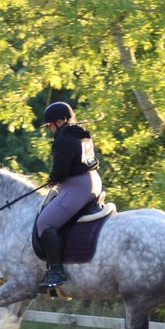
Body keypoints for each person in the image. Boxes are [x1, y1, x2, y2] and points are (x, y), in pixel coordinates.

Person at [37, 101, 102, 288]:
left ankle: (56, 272)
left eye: (49, 124)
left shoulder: (65, 138)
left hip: (77, 187)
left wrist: (52, 178)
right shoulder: (81, 135)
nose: (49, 129)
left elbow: (61, 170)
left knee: (44, 223)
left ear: (59, 121)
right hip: (93, 181)